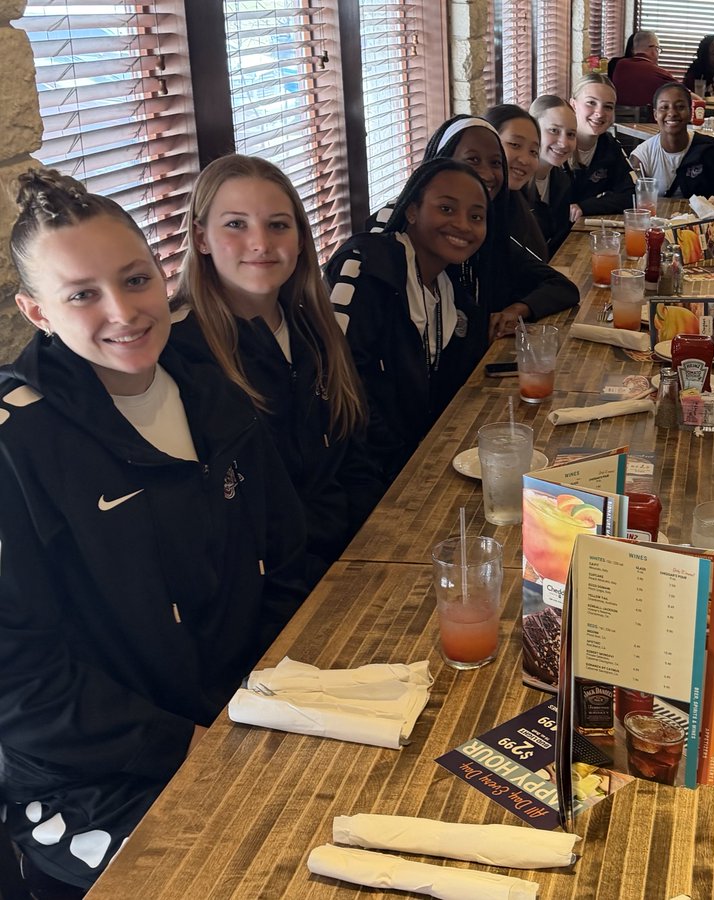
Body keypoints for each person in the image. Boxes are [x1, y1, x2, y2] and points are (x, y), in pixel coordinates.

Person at [0, 170, 306, 895]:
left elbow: (284, 552)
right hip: (96, 779)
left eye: (135, 279)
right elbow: (20, 687)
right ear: (37, 313)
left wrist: (278, 696)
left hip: (239, 714)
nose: (123, 312)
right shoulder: (18, 445)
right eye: (82, 295)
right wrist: (192, 746)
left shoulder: (212, 382)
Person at [172, 154, 376, 587]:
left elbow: (353, 457)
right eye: (236, 224)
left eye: (278, 225)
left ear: (301, 240)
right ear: (201, 238)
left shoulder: (315, 329)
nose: (260, 243)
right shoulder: (180, 353)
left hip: (348, 567)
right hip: (264, 596)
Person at [326, 159, 491, 482]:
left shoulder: (450, 288)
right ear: (412, 211)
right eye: (446, 209)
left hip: (417, 462)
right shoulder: (366, 266)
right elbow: (340, 384)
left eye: (476, 217)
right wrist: (401, 464)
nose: (463, 225)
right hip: (358, 475)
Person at [366, 116, 579, 339]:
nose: (486, 174)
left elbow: (561, 287)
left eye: (496, 163)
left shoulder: (486, 232)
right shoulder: (385, 239)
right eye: (473, 160)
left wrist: (518, 309)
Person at [630, 82, 714, 199]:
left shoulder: (709, 150)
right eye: (664, 107)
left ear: (690, 112)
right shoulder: (641, 157)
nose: (672, 113)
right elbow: (636, 201)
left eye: (680, 107)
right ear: (655, 115)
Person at [483, 104, 549, 261]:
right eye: (514, 145)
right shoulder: (470, 211)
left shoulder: (518, 204)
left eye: (533, 151)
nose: (525, 160)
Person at [567, 73, 636, 221]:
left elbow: (632, 195)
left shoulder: (610, 145)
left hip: (587, 229)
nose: (599, 113)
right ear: (573, 105)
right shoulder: (558, 147)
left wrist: (584, 207)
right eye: (591, 103)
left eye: (608, 107)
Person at [528, 95, 577, 258]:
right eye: (554, 130)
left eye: (571, 134)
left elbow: (558, 241)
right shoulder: (515, 184)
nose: (564, 143)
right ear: (532, 130)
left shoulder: (562, 181)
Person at [611, 30, 678, 107]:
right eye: (658, 49)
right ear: (654, 48)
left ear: (633, 49)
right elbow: (683, 93)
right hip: (648, 114)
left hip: (619, 114)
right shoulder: (659, 73)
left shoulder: (620, 65)